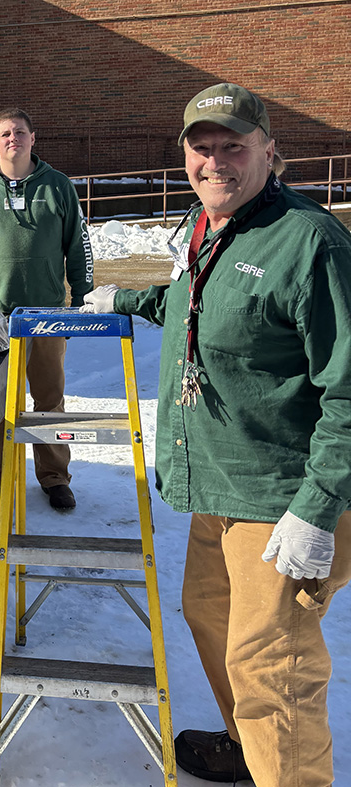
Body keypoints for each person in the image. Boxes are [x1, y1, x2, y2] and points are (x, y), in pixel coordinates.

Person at [82, 82, 351, 786]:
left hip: (282, 498)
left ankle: (285, 770)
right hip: (220, 484)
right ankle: (247, 746)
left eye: (234, 145)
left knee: (273, 668)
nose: (216, 161)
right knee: (211, 614)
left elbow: (350, 387)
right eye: (203, 147)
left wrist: (316, 506)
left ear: (271, 151)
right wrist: (131, 298)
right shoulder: (215, 225)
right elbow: (205, 302)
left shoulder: (310, 242)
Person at [0, 108, 93, 511]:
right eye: (5, 133)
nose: (14, 138)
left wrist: (84, 299)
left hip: (47, 314)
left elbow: (78, 247)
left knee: (49, 400)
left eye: (21, 132)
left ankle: (55, 477)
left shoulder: (59, 186)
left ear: (33, 138)